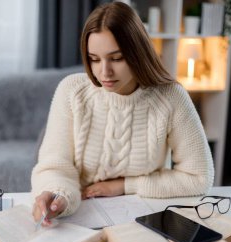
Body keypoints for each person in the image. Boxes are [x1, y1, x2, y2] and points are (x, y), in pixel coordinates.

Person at [31, 2, 214, 226]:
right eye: (94, 59)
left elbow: (199, 178)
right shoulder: (71, 91)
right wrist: (58, 196)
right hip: (80, 217)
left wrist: (124, 185)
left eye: (116, 58)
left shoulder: (171, 97)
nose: (104, 72)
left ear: (137, 52)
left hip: (144, 216)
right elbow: (54, 166)